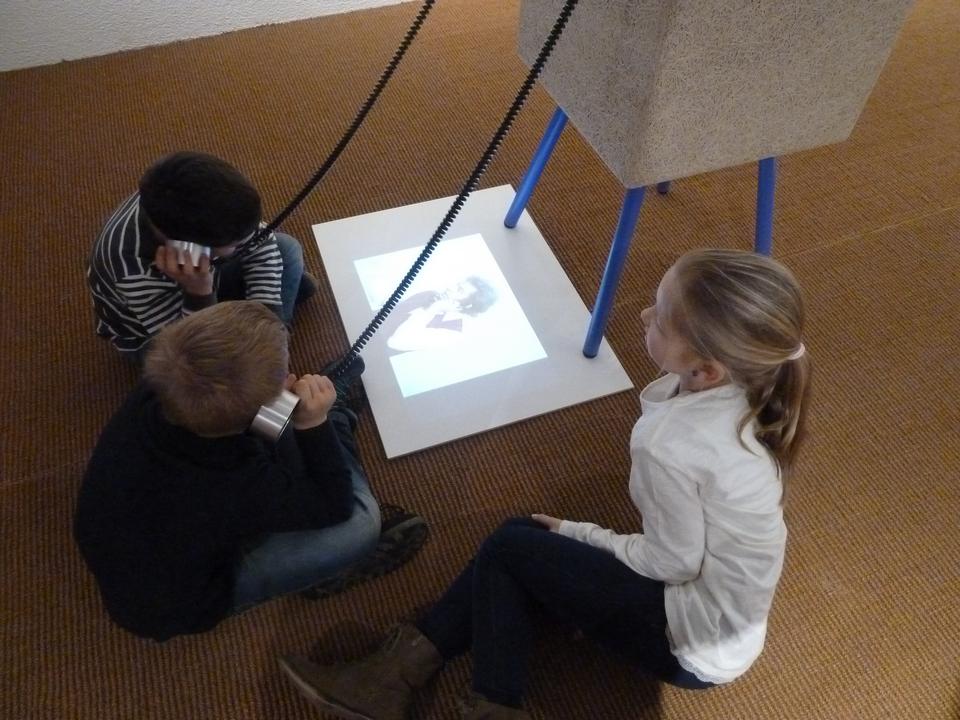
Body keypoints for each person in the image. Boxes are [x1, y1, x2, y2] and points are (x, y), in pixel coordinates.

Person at [277, 249, 812, 719]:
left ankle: (487, 703)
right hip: (719, 620)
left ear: (707, 370)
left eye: (661, 319)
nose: (644, 314)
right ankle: (395, 673)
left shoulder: (672, 444)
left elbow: (671, 563)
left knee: (509, 548)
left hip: (690, 643)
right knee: (521, 536)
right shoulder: (749, 386)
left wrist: (580, 533)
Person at [73, 301, 427, 642]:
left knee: (281, 428)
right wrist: (315, 423)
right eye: (284, 378)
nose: (291, 376)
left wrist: (279, 402)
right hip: (178, 603)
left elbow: (243, 422)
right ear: (258, 412)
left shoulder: (160, 387)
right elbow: (332, 504)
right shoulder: (236, 486)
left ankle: (312, 418)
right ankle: (337, 421)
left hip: (135, 530)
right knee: (360, 524)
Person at [87, 151, 317, 361]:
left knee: (286, 248)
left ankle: (256, 323)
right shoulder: (132, 268)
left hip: (205, 275)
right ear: (190, 246)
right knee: (209, 363)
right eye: (236, 243)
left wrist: (269, 328)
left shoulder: (195, 210)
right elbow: (188, 344)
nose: (248, 239)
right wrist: (198, 291)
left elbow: (259, 241)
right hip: (159, 332)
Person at [385, 276, 498, 353]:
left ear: (468, 305)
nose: (450, 288)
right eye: (457, 285)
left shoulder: (453, 330)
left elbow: (394, 342)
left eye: (460, 290)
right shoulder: (430, 294)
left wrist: (432, 310)